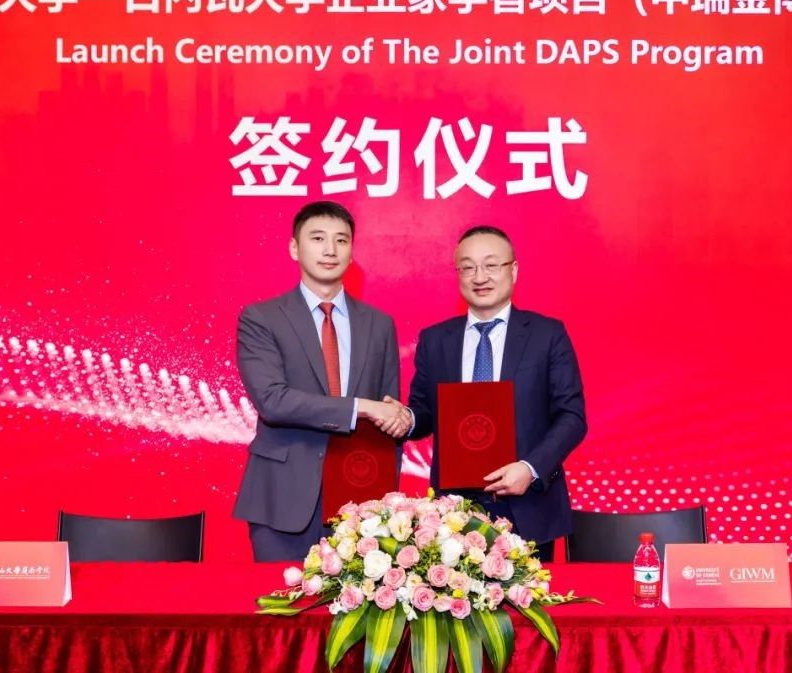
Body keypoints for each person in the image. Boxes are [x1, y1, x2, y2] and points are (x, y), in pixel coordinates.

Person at [233, 201, 412, 561]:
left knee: (358, 601)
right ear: (294, 248)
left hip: (360, 503)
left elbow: (387, 407)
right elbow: (273, 401)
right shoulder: (261, 319)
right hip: (282, 500)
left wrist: (402, 418)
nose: (330, 249)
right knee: (280, 599)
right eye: (317, 238)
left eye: (341, 240)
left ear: (351, 251)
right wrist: (362, 407)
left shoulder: (379, 324)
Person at [403, 225, 587, 561]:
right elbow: (425, 411)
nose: (480, 277)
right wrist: (405, 418)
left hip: (528, 506)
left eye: (491, 265)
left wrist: (530, 468)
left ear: (513, 270)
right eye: (468, 267)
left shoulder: (547, 334)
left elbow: (571, 417)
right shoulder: (436, 340)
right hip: (453, 514)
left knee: (529, 596)